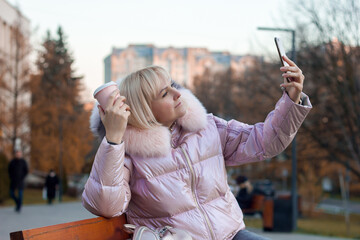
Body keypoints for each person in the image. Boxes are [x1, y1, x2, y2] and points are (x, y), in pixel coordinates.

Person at [82, 56, 312, 240]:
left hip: (231, 235)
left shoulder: (207, 127)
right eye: (165, 93)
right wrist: (113, 138)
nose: (177, 93)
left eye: (172, 85)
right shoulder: (129, 153)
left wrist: (291, 100)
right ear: (145, 110)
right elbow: (106, 205)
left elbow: (263, 142)